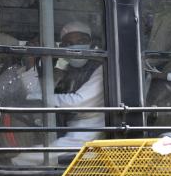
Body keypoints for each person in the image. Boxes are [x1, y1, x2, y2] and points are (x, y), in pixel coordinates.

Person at [12, 21, 104, 165]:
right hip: (65, 127)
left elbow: (78, 102)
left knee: (23, 158)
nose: (75, 46)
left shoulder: (101, 70)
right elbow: (35, 92)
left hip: (90, 131)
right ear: (61, 49)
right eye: (69, 44)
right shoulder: (64, 70)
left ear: (91, 44)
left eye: (81, 41)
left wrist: (38, 98)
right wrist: (33, 64)